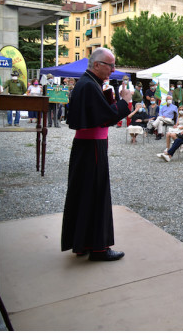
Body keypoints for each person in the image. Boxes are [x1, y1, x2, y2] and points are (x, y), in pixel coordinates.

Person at [61, 48, 131, 261]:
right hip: (92, 146)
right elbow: (107, 117)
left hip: (85, 146)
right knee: (97, 194)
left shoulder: (86, 83)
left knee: (84, 194)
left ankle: (81, 243)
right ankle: (99, 248)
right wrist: (124, 101)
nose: (113, 69)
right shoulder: (89, 85)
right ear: (97, 64)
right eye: (110, 65)